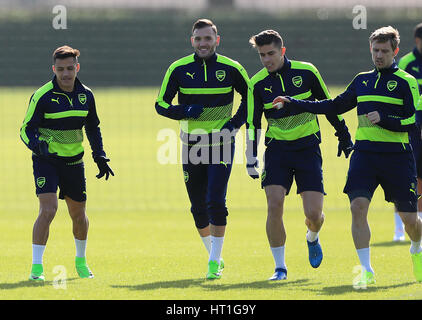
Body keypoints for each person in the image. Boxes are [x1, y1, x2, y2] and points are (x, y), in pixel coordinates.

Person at [276, 26, 422, 285]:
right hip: (364, 154)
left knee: (410, 220)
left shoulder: (406, 82)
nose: (379, 55)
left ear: (395, 51)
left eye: (384, 51)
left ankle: (416, 247)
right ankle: (366, 269)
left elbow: (412, 121)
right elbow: (334, 105)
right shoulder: (361, 80)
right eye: (375, 50)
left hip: (397, 157)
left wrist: (386, 119)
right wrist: (295, 101)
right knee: (357, 207)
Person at [245, 30, 353, 281]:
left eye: (271, 53)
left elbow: (329, 105)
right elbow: (254, 123)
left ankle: (312, 236)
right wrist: (251, 155)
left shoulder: (307, 72)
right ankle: (279, 268)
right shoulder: (257, 83)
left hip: (307, 149)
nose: (266, 60)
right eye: (262, 55)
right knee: (274, 204)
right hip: (278, 151)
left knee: (314, 215)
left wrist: (344, 135)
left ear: (282, 51)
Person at [155, 19, 250, 280]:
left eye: (208, 39)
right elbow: (160, 104)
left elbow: (250, 98)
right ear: (192, 41)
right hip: (191, 147)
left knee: (216, 201)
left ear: (216, 40)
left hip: (221, 146)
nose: (203, 43)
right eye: (198, 39)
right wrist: (184, 111)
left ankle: (213, 262)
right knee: (197, 207)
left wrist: (234, 125)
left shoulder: (232, 68)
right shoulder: (178, 68)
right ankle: (214, 256)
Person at [20, 45, 114, 281]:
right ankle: (36, 269)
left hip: (74, 162)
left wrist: (99, 155)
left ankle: (81, 262)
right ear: (54, 68)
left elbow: (92, 127)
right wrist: (37, 145)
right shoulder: (42, 95)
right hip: (46, 161)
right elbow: (25, 129)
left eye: (70, 68)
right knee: (48, 209)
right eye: (60, 69)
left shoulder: (87, 95)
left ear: (77, 68)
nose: (65, 74)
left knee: (79, 215)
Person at [393, 22, 422, 241]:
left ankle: (417, 225)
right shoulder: (406, 63)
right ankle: (398, 231)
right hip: (412, 122)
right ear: (417, 41)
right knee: (405, 174)